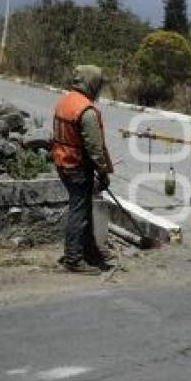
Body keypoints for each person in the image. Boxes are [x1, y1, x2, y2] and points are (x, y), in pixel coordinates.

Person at [52, 65, 114, 274]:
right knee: (79, 212)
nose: (99, 89)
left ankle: (89, 251)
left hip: (63, 163)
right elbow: (95, 149)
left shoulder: (66, 101)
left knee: (83, 208)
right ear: (91, 83)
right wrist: (103, 172)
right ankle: (74, 259)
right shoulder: (85, 110)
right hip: (76, 166)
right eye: (98, 85)